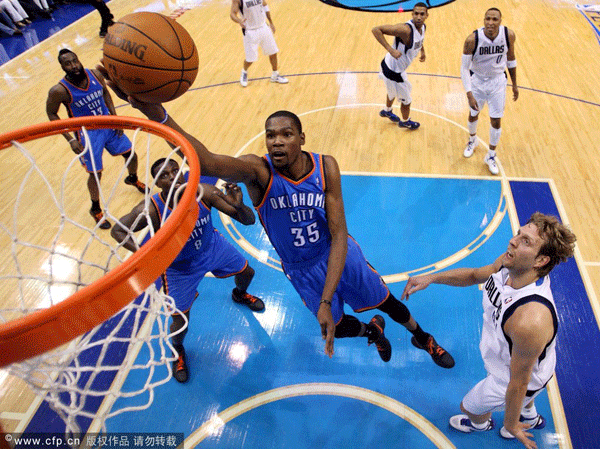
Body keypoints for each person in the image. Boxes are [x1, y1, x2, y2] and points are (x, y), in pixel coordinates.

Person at [97, 67, 454, 367]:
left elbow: (339, 234)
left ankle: (422, 338)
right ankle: (370, 331)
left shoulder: (325, 166)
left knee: (388, 303)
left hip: (338, 254)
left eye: (286, 134)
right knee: (334, 327)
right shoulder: (258, 172)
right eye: (271, 136)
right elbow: (204, 160)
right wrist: (154, 112)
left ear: (301, 137)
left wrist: (327, 298)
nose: (277, 142)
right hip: (300, 268)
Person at [401, 213, 576, 449]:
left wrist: (511, 424)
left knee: (470, 406)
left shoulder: (530, 320)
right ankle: (530, 416)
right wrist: (431, 278)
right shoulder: (509, 264)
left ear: (541, 261)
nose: (513, 241)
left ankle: (481, 424)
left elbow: (518, 382)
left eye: (526, 242)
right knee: (527, 397)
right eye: (518, 234)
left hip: (516, 377)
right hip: (528, 363)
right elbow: (474, 275)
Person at [112, 159, 265, 383]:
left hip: (211, 247)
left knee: (247, 272)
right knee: (180, 320)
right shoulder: (153, 208)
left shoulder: (204, 193)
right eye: (165, 175)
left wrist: (240, 206)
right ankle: (178, 350)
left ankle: (239, 294)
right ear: (158, 183)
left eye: (176, 170)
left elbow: (249, 221)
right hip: (179, 267)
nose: (173, 176)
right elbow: (118, 230)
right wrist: (143, 254)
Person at [47, 49, 146, 229]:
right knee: (96, 173)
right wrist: (70, 139)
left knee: (131, 154)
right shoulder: (59, 90)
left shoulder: (95, 74)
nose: (74, 66)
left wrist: (115, 118)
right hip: (87, 134)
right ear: (62, 67)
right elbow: (52, 114)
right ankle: (95, 208)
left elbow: (106, 94)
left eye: (75, 61)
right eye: (68, 63)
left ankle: (132, 178)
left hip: (107, 123)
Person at [461, 7, 518, 175]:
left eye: (494, 19)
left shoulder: (508, 35)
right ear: (483, 20)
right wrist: (469, 93)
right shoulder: (472, 39)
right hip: (477, 81)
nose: (490, 23)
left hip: (498, 82)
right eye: (488, 19)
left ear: (500, 21)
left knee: (496, 120)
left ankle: (491, 155)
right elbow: (464, 69)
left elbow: (511, 59)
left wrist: (514, 84)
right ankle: (472, 140)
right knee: (473, 114)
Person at [372, 2, 428, 130]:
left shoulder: (423, 27)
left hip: (388, 65)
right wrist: (391, 50)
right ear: (412, 14)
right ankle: (405, 121)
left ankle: (387, 110)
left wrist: (422, 50)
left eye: (422, 14)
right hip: (394, 71)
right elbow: (376, 30)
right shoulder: (405, 29)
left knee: (391, 92)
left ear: (426, 15)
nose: (419, 17)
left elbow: (420, 40)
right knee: (406, 100)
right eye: (416, 14)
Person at [230, 0, 288, 87]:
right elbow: (232, 14)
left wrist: (271, 22)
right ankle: (244, 71)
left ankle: (275, 75)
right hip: (250, 31)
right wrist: (239, 21)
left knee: (273, 52)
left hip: (263, 27)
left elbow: (264, 5)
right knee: (250, 59)